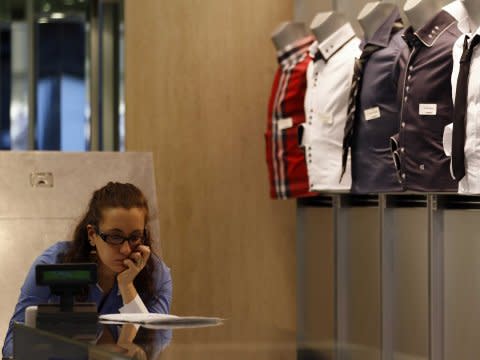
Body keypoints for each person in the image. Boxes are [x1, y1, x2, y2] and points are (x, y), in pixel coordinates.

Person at [2, 181, 172, 358]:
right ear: (92, 235)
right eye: (115, 237)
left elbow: (156, 344)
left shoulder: (156, 275)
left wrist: (126, 284)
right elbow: (13, 344)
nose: (126, 250)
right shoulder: (54, 263)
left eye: (135, 237)